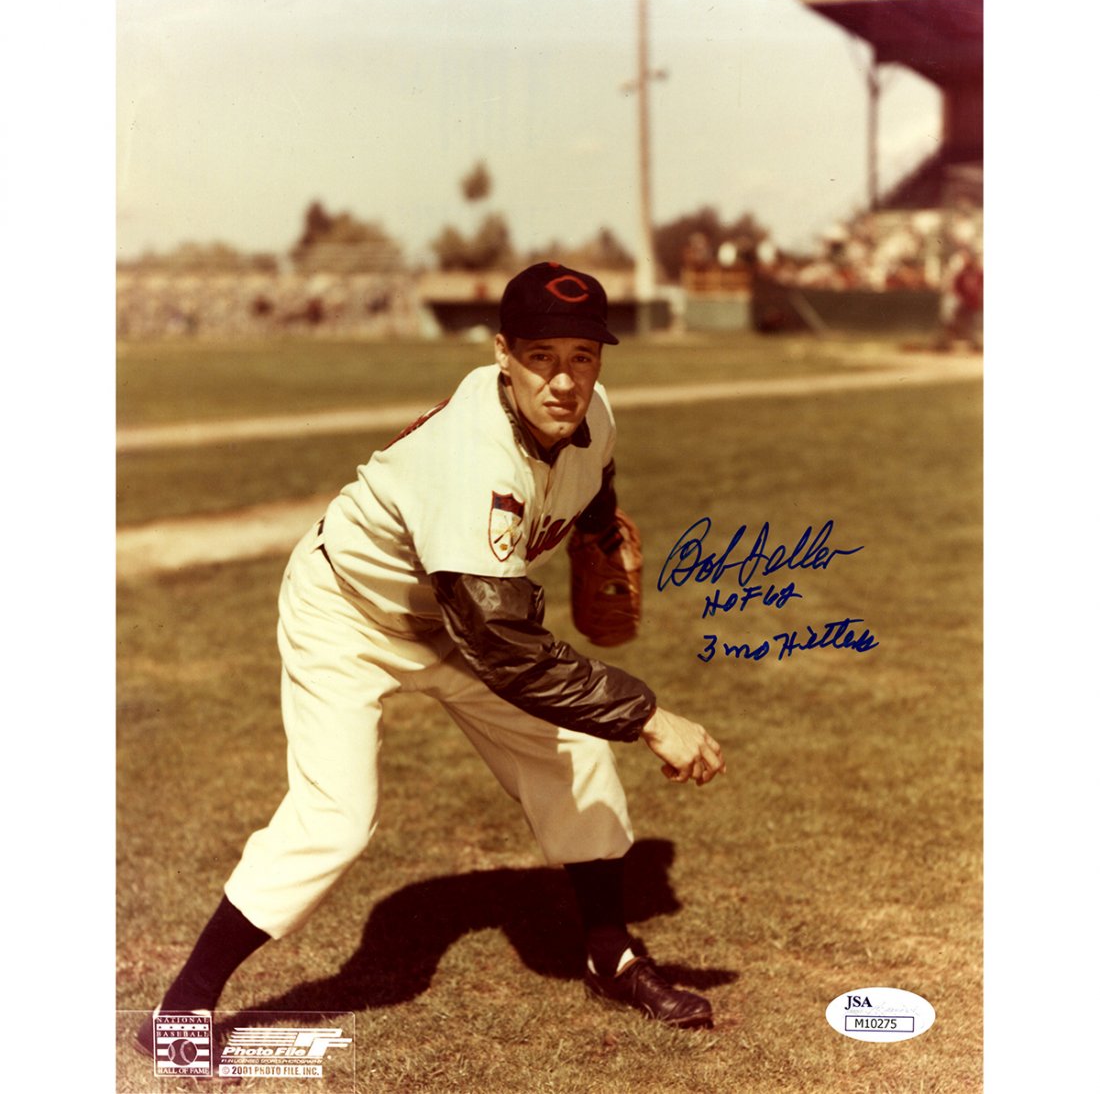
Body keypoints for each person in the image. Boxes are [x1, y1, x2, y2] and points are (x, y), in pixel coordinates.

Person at [135, 262, 727, 1057]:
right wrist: (649, 716)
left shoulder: (592, 412)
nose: (564, 381)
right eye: (542, 357)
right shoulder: (472, 461)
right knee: (335, 820)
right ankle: (181, 1012)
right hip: (349, 612)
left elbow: (596, 477)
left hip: (454, 618)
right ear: (503, 355)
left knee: (575, 754)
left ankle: (608, 956)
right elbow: (507, 650)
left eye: (582, 357)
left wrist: (596, 531)